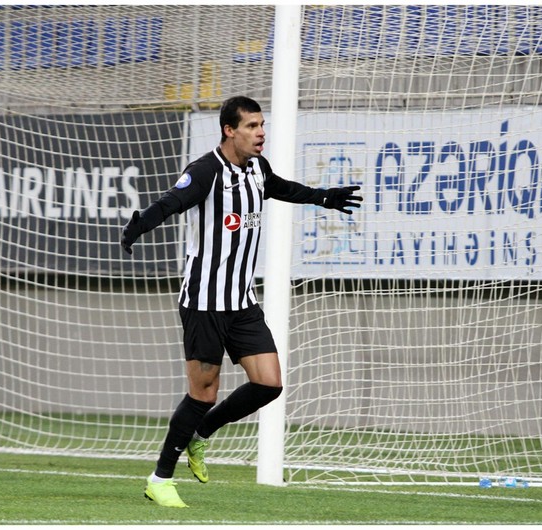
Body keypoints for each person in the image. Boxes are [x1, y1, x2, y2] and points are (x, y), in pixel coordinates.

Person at [120, 95, 362, 508]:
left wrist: (323, 197)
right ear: (229, 130)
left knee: (269, 383)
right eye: (252, 126)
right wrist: (141, 225)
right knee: (203, 393)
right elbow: (172, 201)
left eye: (262, 125)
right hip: (204, 302)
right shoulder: (205, 171)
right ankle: (160, 479)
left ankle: (200, 433)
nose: (261, 132)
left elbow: (281, 187)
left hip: (242, 302)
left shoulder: (256, 169)